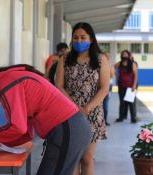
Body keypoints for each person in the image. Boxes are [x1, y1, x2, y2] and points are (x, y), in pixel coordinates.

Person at [0, 64, 91, 175]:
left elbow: (18, 127)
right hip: (70, 128)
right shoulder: (7, 81)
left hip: (67, 129)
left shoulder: (6, 84)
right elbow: (25, 133)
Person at [55, 22, 110, 175]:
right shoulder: (65, 59)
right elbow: (59, 85)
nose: (79, 41)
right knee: (73, 157)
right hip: (69, 114)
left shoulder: (100, 59)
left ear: (91, 39)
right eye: (76, 37)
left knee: (86, 158)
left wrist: (86, 108)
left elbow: (104, 88)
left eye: (83, 37)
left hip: (92, 114)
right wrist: (74, 107)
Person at [114, 50, 138, 123]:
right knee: (122, 102)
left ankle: (133, 118)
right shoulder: (119, 63)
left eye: (125, 54)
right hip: (121, 86)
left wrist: (134, 85)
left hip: (130, 87)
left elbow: (136, 76)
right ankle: (121, 117)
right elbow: (113, 68)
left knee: (131, 103)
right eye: (123, 54)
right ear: (121, 56)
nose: (124, 56)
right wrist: (116, 75)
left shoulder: (132, 64)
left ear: (128, 55)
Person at [103, 53, 115, 126]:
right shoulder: (99, 64)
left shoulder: (110, 66)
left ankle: (105, 120)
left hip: (108, 86)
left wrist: (108, 66)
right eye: (105, 56)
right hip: (99, 86)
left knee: (105, 103)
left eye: (108, 56)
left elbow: (112, 75)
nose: (106, 58)